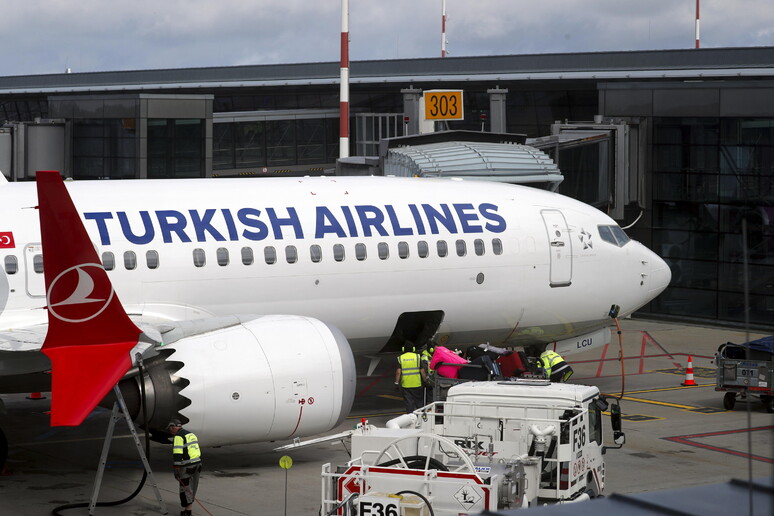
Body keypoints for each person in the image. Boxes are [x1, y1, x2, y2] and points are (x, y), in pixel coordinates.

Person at [168, 419, 202, 516]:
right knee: (192, 487)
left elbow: (178, 453)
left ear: (173, 427)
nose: (170, 431)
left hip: (187, 466)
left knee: (185, 488)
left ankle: (187, 512)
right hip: (198, 464)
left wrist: (176, 468)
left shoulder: (178, 437)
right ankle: (188, 509)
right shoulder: (190, 434)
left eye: (170, 429)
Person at [395, 342, 427, 413]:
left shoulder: (400, 358)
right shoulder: (417, 357)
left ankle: (410, 419)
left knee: (409, 403)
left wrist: (396, 383)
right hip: (417, 384)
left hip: (406, 385)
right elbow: (422, 371)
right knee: (419, 403)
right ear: (413, 349)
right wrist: (425, 381)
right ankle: (421, 418)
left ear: (403, 349)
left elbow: (398, 372)